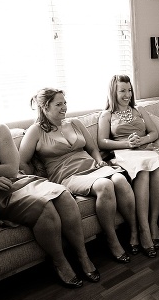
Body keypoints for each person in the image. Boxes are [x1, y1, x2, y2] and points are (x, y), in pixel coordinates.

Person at [0, 89, 99, 289]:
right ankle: (60, 262)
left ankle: (82, 256)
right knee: (44, 206)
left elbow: (12, 169)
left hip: (19, 180)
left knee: (63, 195)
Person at [19, 88, 144, 263]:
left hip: (93, 166)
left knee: (120, 179)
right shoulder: (36, 131)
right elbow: (22, 162)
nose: (64, 107)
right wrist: (38, 182)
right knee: (105, 185)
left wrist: (99, 160)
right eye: (59, 104)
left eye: (65, 103)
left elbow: (92, 148)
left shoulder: (75, 123)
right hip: (67, 175)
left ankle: (134, 232)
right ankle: (112, 240)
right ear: (45, 107)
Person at [98, 75, 159, 254]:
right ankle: (143, 229)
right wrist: (127, 144)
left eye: (129, 90)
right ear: (113, 92)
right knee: (142, 172)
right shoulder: (107, 115)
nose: (127, 94)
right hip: (124, 153)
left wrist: (142, 139)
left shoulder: (139, 110)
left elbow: (154, 133)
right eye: (122, 91)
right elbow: (102, 142)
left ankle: (153, 223)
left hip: (145, 148)